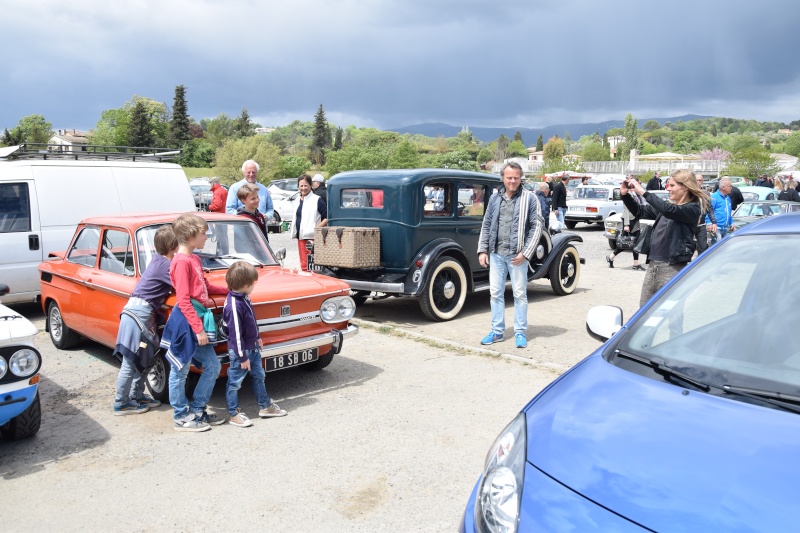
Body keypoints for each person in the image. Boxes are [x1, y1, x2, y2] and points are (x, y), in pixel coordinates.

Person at [161, 213, 229, 432]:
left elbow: (204, 287)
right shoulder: (180, 262)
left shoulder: (194, 259)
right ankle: (181, 416)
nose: (206, 237)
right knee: (179, 370)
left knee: (212, 366)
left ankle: (198, 409)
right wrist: (198, 329)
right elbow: (183, 299)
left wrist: (230, 290)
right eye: (203, 233)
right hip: (187, 323)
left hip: (196, 320)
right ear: (190, 235)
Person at [112, 225, 179, 415]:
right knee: (130, 360)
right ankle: (121, 402)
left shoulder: (156, 261)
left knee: (143, 358)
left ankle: (136, 395)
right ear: (173, 245)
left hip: (137, 314)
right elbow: (180, 285)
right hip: (139, 316)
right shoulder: (166, 265)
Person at [477, 162, 543, 349]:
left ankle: (520, 332)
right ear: (503, 178)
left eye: (516, 177)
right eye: (509, 177)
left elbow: (537, 226)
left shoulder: (530, 199)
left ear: (521, 178)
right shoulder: (494, 198)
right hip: (497, 254)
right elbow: (487, 223)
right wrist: (483, 250)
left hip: (517, 256)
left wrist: (526, 253)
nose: (512, 181)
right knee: (495, 293)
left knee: (519, 294)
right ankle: (497, 332)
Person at [622, 169, 708, 307]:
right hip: (653, 266)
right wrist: (625, 195)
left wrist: (643, 192)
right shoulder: (668, 207)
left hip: (673, 268)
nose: (668, 189)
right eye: (668, 185)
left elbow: (670, 211)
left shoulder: (692, 209)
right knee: (645, 311)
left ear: (685, 187)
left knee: (672, 315)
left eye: (672, 185)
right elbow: (640, 211)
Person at [223, 261, 287, 427]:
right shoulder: (233, 305)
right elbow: (235, 334)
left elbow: (251, 319)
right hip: (241, 351)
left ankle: (265, 407)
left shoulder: (243, 297)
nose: (254, 286)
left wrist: (257, 336)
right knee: (235, 382)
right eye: (253, 284)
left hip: (252, 347)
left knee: (259, 375)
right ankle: (233, 414)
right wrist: (242, 356)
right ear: (245, 284)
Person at [606, 175, 644, 270]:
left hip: (635, 220)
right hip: (629, 220)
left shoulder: (636, 195)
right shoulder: (628, 194)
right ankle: (612, 257)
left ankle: (612, 257)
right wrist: (626, 224)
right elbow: (626, 209)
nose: (638, 186)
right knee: (627, 241)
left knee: (633, 241)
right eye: (637, 184)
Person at [292, 174, 328, 271]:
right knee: (304, 265)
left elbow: (326, 217)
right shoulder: (297, 200)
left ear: (310, 185)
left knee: (313, 266)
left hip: (312, 238)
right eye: (301, 186)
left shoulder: (317, 199)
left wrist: (316, 228)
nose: (303, 188)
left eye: (305, 185)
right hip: (301, 236)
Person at [694, 174, 716, 255]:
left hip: (701, 224)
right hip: (690, 224)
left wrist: (714, 222)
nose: (699, 182)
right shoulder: (689, 192)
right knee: (689, 248)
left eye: (700, 180)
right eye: (697, 180)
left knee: (703, 248)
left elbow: (710, 209)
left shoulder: (705, 193)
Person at [707, 177, 733, 244]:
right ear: (723, 187)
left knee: (725, 246)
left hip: (725, 228)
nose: (731, 188)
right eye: (730, 186)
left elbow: (728, 212)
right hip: (716, 227)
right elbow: (708, 211)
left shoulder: (728, 198)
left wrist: (731, 223)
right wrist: (709, 223)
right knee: (717, 246)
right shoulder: (714, 197)